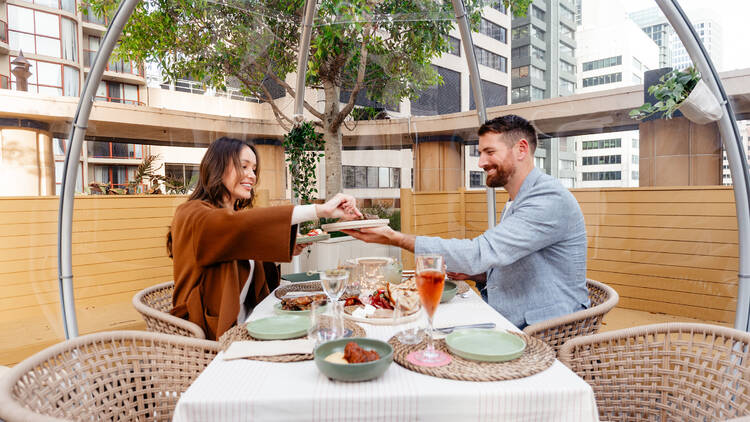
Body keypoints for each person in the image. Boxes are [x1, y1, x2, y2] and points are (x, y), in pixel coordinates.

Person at [344, 115, 588, 330]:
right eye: (480, 153)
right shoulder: (518, 199)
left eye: (489, 152)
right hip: (513, 317)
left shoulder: (547, 199)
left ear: (521, 149)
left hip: (544, 328)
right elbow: (507, 259)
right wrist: (479, 275)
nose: (481, 163)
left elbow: (479, 252)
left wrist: (394, 237)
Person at [167, 137, 361, 340]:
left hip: (248, 325)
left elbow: (242, 260)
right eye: (244, 166)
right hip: (206, 334)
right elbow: (235, 226)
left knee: (321, 333)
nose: (251, 176)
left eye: (254, 169)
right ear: (217, 167)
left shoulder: (232, 220)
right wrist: (320, 210)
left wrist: (284, 248)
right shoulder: (191, 213)